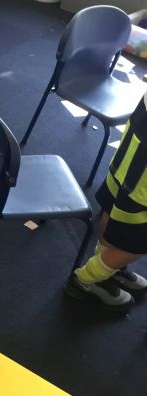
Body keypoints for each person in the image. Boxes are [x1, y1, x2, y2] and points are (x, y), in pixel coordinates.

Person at [64, 91, 147, 311]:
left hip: (136, 144)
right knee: (137, 242)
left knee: (114, 208)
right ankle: (87, 279)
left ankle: (108, 267)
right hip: (143, 182)